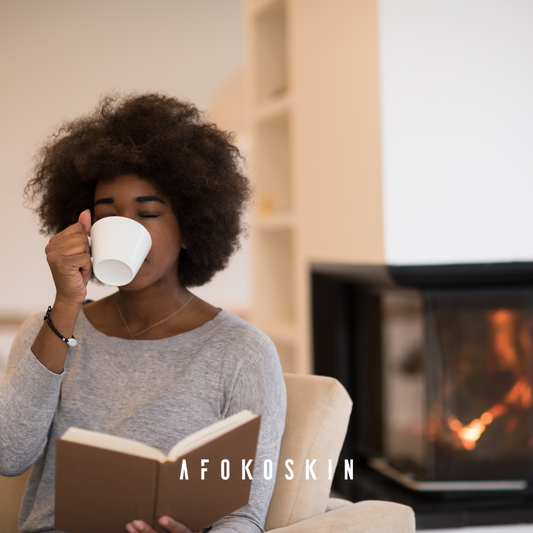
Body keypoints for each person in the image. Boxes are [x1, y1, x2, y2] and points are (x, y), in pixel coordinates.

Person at [0, 94, 287, 533]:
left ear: (190, 227)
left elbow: (245, 514)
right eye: (107, 215)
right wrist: (66, 303)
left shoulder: (243, 352)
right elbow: (8, 454)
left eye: (148, 213)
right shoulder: (51, 329)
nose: (126, 228)